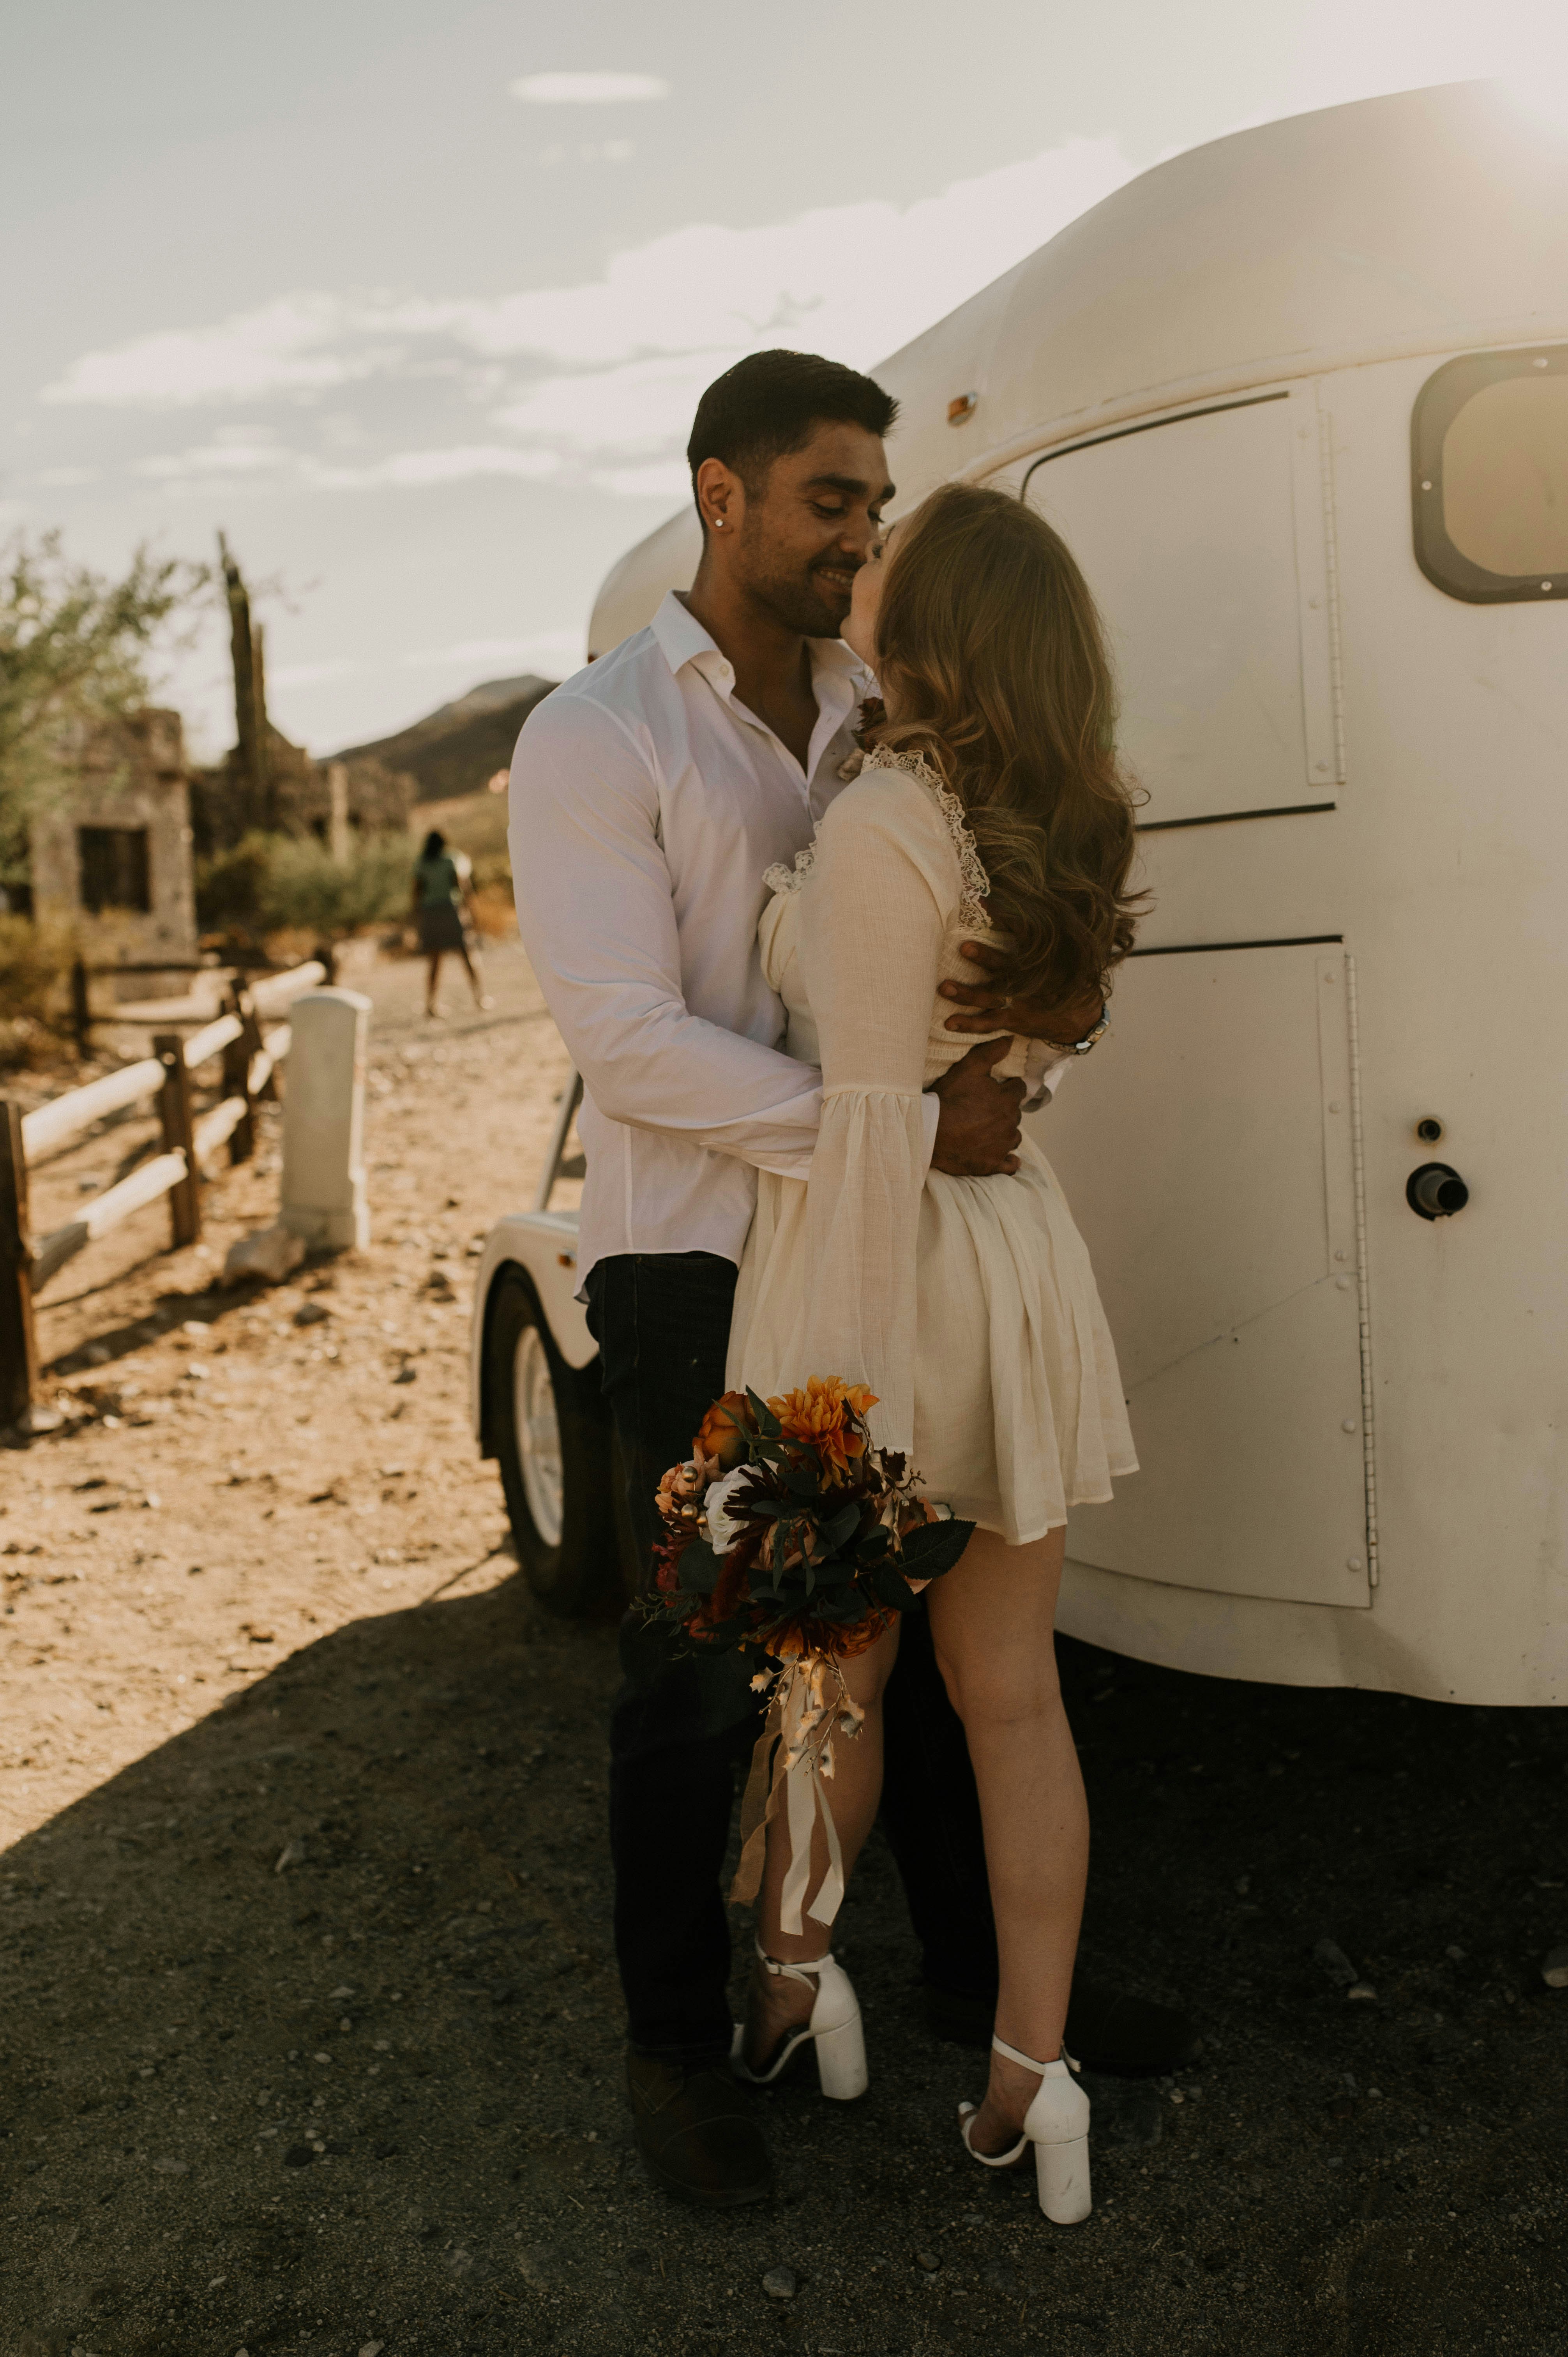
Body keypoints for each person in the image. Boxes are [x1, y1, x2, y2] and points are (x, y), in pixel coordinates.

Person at [511, 350, 1192, 2213]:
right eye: (832, 504)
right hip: (695, 1255)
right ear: (720, 495)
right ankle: (685, 2040)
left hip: (866, 1258)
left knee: (890, 1663)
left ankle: (959, 1992)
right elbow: (627, 1040)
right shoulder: (600, 734)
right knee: (699, 1681)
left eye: (882, 515)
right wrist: (896, 1123)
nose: (860, 541)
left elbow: (995, 951)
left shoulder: (880, 722)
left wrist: (966, 1104)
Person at [726, 481, 1141, 2221]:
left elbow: (877, 1127)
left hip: (886, 1283)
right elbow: (1007, 1071)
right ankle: (1032, 2078)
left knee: (830, 1680)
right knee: (1014, 1696)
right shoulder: (1051, 817)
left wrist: (836, 1416)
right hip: (1014, 1261)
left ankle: (793, 1980)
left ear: (944, 627)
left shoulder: (895, 818)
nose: (862, 568)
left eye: (890, 563)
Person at [411, 828, 491, 1018]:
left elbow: (416, 893)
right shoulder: (453, 860)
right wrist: (472, 912)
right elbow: (463, 888)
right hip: (450, 911)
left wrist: (415, 919)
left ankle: (431, 1005)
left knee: (435, 962)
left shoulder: (422, 864)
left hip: (430, 913)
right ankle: (480, 997)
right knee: (467, 955)